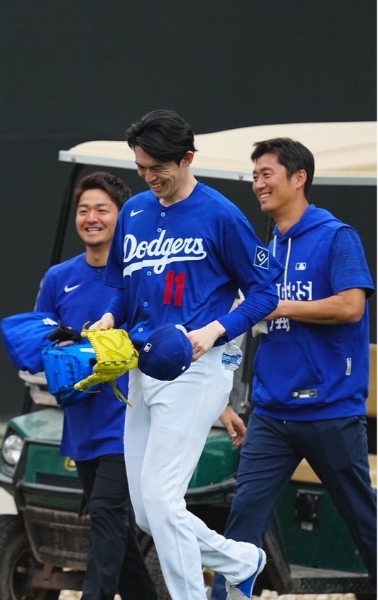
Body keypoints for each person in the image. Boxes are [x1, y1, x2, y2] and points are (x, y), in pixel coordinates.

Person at [88, 109, 282, 599]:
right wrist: (109, 317)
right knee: (147, 512)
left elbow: (265, 292)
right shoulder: (134, 211)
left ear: (187, 158)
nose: (148, 176)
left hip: (197, 366)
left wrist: (214, 331)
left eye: (157, 167)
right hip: (142, 367)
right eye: (140, 167)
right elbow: (120, 286)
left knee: (161, 499)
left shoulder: (220, 214)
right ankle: (242, 560)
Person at [211, 138, 377, 599]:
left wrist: (280, 304)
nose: (258, 184)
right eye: (254, 176)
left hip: (331, 410)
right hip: (272, 414)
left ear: (299, 177)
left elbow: (351, 306)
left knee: (362, 518)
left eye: (267, 174)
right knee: (242, 522)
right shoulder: (265, 251)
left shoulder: (337, 236)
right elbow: (244, 328)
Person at [36, 172, 157, 600]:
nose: (91, 218)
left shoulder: (141, 276)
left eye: (102, 209)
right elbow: (41, 340)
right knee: (114, 528)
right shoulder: (58, 278)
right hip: (82, 421)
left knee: (106, 512)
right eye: (84, 210)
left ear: (121, 217)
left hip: (127, 420)